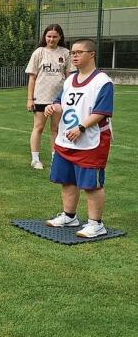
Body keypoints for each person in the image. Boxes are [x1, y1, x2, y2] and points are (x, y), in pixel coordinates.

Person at [44, 39, 113, 238]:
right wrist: (52, 107)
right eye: (73, 52)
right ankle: (69, 216)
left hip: (91, 140)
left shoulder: (102, 81)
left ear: (91, 54)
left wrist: (81, 127)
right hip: (67, 139)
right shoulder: (69, 80)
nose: (74, 56)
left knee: (92, 184)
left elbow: (102, 111)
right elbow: (60, 103)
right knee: (67, 180)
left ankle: (96, 224)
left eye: (79, 52)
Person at [25, 24, 70, 169]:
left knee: (56, 129)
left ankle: (55, 158)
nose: (51, 39)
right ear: (45, 37)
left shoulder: (65, 53)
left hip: (59, 99)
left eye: (55, 36)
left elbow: (69, 77)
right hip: (41, 98)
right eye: (49, 36)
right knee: (38, 127)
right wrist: (30, 99)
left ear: (60, 37)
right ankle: (35, 159)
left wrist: (68, 96)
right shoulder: (39, 52)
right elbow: (32, 77)